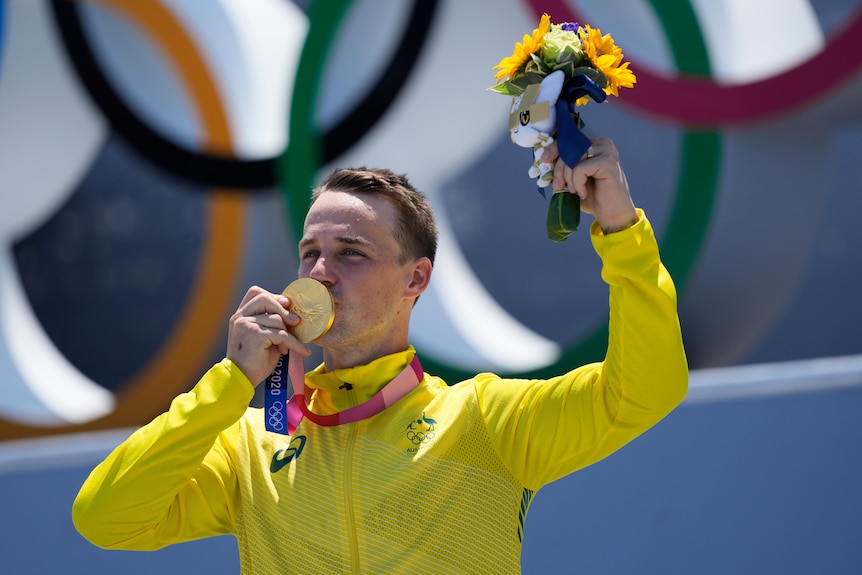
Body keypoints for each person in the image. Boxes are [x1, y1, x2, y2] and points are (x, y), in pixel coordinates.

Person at [73, 138, 688, 574]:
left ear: (414, 280)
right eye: (310, 251)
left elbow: (645, 390)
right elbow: (105, 519)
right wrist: (232, 382)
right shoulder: (253, 445)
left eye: (352, 253)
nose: (319, 272)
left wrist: (622, 232)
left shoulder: (485, 419)